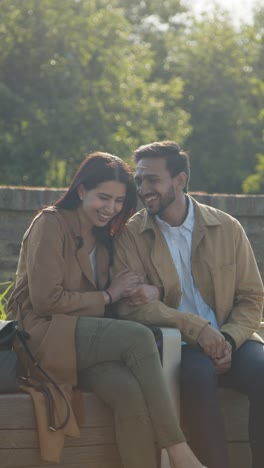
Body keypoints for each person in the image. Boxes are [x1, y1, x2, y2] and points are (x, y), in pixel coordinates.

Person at [7, 151, 206, 468]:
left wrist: (149, 290)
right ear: (82, 190)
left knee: (128, 390)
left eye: (118, 201)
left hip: (80, 344)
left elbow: (126, 292)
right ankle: (180, 452)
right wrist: (109, 295)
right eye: (103, 197)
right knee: (138, 338)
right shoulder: (51, 224)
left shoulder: (105, 238)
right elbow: (46, 301)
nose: (110, 208)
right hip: (43, 337)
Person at [112, 141, 264, 468]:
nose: (143, 189)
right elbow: (130, 307)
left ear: (179, 180)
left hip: (232, 336)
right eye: (139, 181)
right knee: (196, 376)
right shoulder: (131, 235)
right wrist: (198, 330)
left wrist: (227, 338)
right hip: (177, 343)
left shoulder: (227, 228)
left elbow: (252, 297)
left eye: (152, 180)